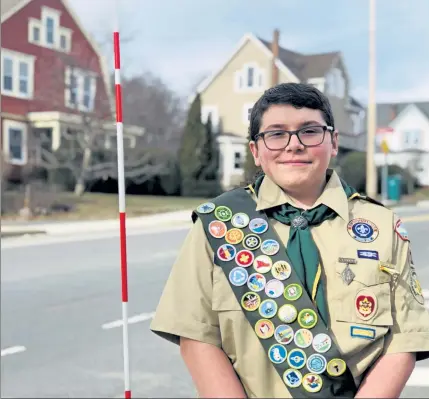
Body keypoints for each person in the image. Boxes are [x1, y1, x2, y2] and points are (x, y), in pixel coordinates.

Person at [150, 83, 429, 398]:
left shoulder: (382, 227)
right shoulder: (217, 225)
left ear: (334, 142)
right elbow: (197, 336)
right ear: (255, 151)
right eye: (276, 133)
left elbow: (405, 339)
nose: (294, 145)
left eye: (310, 132)